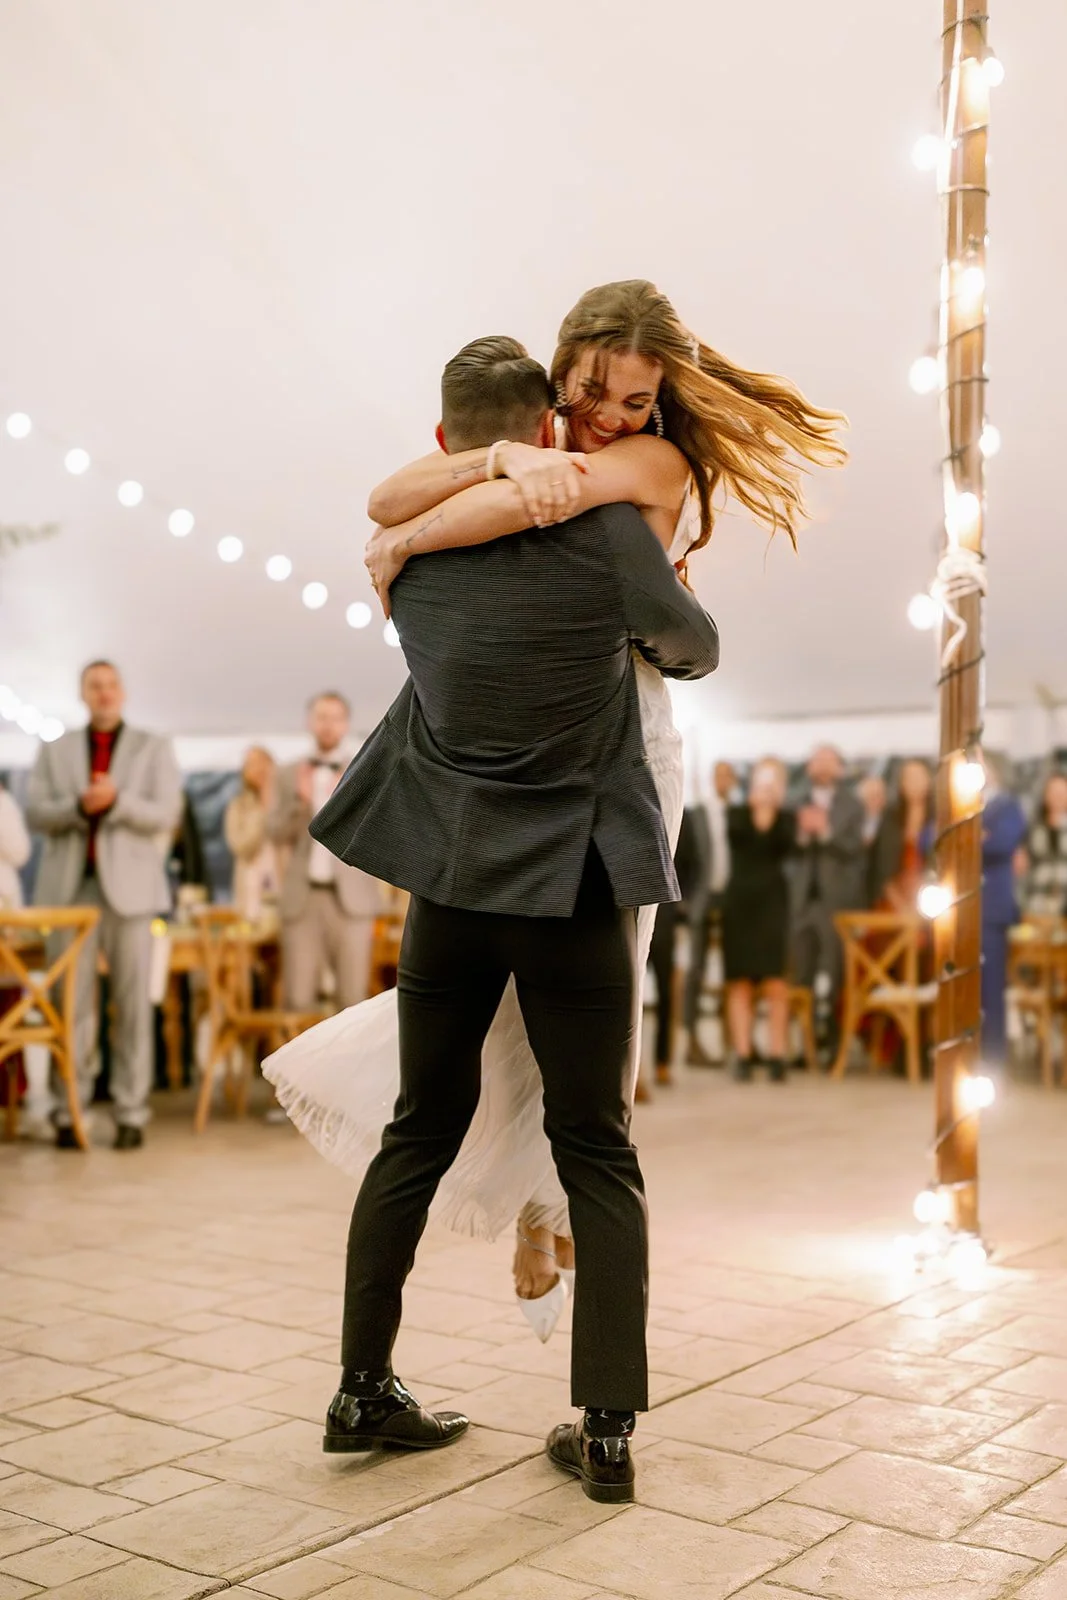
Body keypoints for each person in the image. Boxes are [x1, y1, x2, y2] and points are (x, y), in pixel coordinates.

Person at [266, 279, 846, 1332]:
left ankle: (549, 1210)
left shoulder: (644, 463)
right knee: (502, 1010)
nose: (611, 415)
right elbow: (394, 489)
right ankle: (538, 1209)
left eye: (635, 400)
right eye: (594, 391)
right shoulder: (531, 438)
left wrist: (412, 541)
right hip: (524, 744)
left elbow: (494, 503)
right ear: (563, 361)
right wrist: (488, 461)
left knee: (597, 1000)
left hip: (624, 750)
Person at [274, 334, 720, 1502]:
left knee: (416, 1132)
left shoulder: (407, 568)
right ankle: (605, 1428)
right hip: (572, 890)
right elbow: (695, 647)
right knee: (596, 1145)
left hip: (453, 892)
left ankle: (360, 1386)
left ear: (443, 441)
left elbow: (411, 529)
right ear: (548, 427)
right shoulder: (611, 535)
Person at [25, 661, 182, 1147]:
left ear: (123, 691)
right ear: (82, 693)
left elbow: (166, 812)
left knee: (133, 1005)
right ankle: (69, 1110)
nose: (104, 692)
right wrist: (78, 807)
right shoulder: (55, 749)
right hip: (68, 894)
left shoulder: (154, 746)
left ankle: (131, 1112)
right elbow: (34, 812)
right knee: (69, 1007)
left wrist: (116, 803)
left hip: (132, 895)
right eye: (95, 685)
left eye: (111, 684)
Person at [268, 695, 384, 1010]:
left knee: (353, 1000)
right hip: (302, 897)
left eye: (335, 717)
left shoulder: (366, 770)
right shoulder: (287, 773)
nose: (328, 725)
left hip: (352, 899)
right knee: (297, 999)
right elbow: (274, 833)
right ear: (310, 722)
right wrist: (300, 803)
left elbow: (378, 830)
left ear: (346, 724)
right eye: (321, 717)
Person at [790, 745, 866, 1056]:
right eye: (816, 760)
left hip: (835, 901)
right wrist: (803, 835)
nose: (821, 766)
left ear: (838, 767)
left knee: (834, 974)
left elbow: (855, 849)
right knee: (800, 973)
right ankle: (802, 1048)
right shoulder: (795, 801)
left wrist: (826, 833)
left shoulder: (853, 805)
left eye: (828, 760)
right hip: (802, 900)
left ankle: (833, 1044)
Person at [723, 760, 796, 1081]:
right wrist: (758, 806)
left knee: (776, 981)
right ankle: (743, 1053)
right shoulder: (736, 815)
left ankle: (777, 1054)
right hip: (740, 904)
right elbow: (741, 840)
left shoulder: (786, 819)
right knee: (739, 981)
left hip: (772, 905)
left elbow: (783, 847)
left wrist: (772, 807)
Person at [679, 760, 737, 1065]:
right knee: (696, 970)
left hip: (732, 902)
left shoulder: (740, 815)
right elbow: (686, 857)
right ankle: (691, 1041)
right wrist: (686, 901)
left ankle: (733, 1043)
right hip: (702, 900)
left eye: (727, 775)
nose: (722, 781)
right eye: (718, 775)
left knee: (734, 972)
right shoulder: (698, 814)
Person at [980, 757, 1028, 1065]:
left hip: (992, 907)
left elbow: (1003, 843)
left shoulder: (1008, 806)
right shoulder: (953, 803)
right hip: (959, 905)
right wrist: (980, 836)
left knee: (991, 986)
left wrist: (970, 836)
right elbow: (934, 838)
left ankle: (993, 1057)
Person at [0, 780, 32, 1108]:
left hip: (5, 914)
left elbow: (20, 851)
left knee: (7, 1002)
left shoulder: (4, 804)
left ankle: (10, 1091)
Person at [225, 746, 278, 920]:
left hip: (284, 888)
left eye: (263, 763)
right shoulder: (238, 806)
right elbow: (241, 847)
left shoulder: (288, 802)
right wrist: (262, 810)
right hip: (251, 889)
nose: (259, 769)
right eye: (252, 764)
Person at [872, 759, 933, 912]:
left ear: (929, 780)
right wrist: (898, 902)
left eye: (919, 777)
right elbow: (881, 864)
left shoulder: (939, 818)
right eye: (909, 778)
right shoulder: (890, 818)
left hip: (931, 898)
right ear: (901, 784)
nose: (914, 783)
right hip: (894, 897)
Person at [1024, 771, 1067, 918]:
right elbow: (1023, 865)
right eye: (1053, 791)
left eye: (1062, 791)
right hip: (1038, 899)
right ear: (1046, 795)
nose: (1058, 796)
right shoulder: (1034, 828)